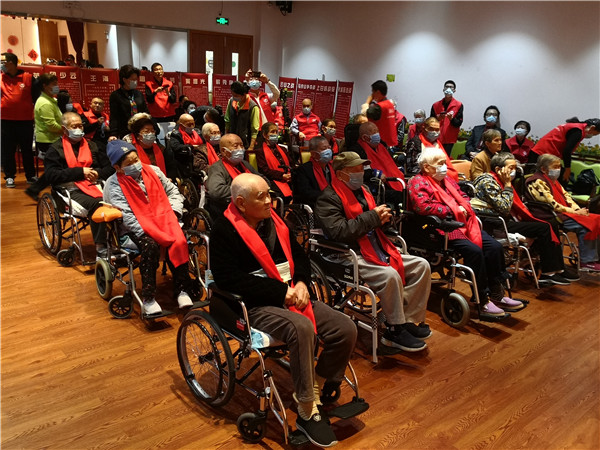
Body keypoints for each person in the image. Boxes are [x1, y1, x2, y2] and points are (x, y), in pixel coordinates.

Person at [211, 172, 357, 448]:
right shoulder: (223, 229)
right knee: (301, 328)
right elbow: (227, 278)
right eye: (262, 197)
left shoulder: (277, 223)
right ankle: (306, 408)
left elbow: (300, 258)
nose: (270, 200)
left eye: (269, 194)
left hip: (291, 293)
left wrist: (301, 282)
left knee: (345, 328)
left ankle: (316, 382)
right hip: (254, 304)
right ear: (241, 203)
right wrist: (280, 292)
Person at [315, 152, 432, 352]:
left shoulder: (365, 190)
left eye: (362, 169)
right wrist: (373, 217)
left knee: (422, 266)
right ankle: (394, 330)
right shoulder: (328, 198)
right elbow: (339, 232)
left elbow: (375, 222)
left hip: (376, 246)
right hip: (348, 253)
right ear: (341, 173)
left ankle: (407, 320)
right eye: (356, 170)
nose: (361, 173)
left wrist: (386, 219)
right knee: (389, 275)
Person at [407, 146, 524, 315]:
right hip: (440, 228)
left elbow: (464, 196)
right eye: (440, 163)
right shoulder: (417, 182)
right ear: (426, 167)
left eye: (444, 162)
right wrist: (453, 209)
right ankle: (482, 299)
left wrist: (464, 206)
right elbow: (422, 207)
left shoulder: (447, 180)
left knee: (495, 247)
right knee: (474, 251)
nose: (444, 166)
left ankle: (497, 294)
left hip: (462, 223)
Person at [104, 140, 195, 315]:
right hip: (136, 228)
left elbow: (173, 192)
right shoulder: (113, 184)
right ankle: (149, 298)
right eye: (129, 163)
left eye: (136, 159)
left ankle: (182, 290)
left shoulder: (154, 171)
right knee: (150, 245)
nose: (135, 164)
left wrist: (173, 213)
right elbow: (126, 215)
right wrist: (149, 231)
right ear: (118, 167)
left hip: (165, 219)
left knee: (179, 240)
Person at [471, 152, 578, 285]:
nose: (514, 171)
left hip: (506, 219)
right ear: (498, 169)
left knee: (550, 223)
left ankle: (558, 269)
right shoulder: (487, 182)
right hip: (495, 222)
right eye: (511, 168)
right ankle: (549, 273)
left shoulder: (500, 179)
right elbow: (504, 207)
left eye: (515, 168)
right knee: (545, 227)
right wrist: (508, 185)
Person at [44, 112, 113, 256]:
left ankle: (121, 240)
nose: (78, 129)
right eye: (74, 127)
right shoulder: (55, 149)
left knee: (119, 200)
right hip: (68, 189)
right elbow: (51, 175)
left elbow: (110, 167)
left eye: (80, 126)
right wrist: (80, 172)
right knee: (99, 203)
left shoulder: (93, 145)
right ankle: (101, 246)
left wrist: (98, 173)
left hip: (95, 184)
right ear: (64, 129)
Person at [525, 154, 600, 272]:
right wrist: (576, 212)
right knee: (586, 226)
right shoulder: (536, 182)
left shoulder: (554, 181)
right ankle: (586, 261)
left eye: (559, 166)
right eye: (555, 167)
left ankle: (596, 258)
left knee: (597, 219)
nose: (558, 169)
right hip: (551, 215)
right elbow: (552, 204)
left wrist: (577, 209)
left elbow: (567, 197)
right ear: (543, 169)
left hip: (565, 212)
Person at [1, 52, 37, 188]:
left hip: (25, 121)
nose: (1, 65)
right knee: (7, 150)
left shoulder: (29, 78)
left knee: (27, 149)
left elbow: (36, 97)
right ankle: (10, 176)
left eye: (2, 62)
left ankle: (30, 176)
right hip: (5, 121)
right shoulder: (0, 78)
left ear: (11, 63)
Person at [205, 133, 262, 218]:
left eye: (241, 146)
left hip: (249, 203)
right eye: (235, 146)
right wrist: (245, 191)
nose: (240, 149)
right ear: (224, 151)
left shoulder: (244, 164)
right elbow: (216, 191)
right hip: (228, 206)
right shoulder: (217, 168)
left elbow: (261, 178)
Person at [25, 73, 63, 201]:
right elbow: (51, 126)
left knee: (55, 168)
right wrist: (66, 130)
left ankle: (35, 189)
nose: (57, 86)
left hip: (52, 139)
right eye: (54, 84)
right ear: (45, 86)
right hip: (48, 140)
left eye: (57, 83)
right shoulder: (44, 103)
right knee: (55, 169)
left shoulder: (51, 100)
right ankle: (34, 189)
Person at [528, 118, 600, 183]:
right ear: (592, 128)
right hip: (543, 155)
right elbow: (567, 151)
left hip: (538, 152)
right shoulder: (578, 132)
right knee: (562, 178)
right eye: (595, 134)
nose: (593, 136)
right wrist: (567, 169)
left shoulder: (574, 126)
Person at [352, 121, 405, 207]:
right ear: (365, 137)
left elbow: (391, 164)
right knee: (401, 196)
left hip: (392, 180)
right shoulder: (357, 150)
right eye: (374, 132)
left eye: (377, 131)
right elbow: (363, 172)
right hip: (376, 185)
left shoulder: (381, 146)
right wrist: (377, 174)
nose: (377, 134)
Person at [124, 112, 177, 180]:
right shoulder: (131, 151)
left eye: (152, 131)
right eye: (146, 131)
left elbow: (171, 166)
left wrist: (170, 178)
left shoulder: (161, 148)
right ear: (138, 135)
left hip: (163, 182)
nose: (150, 133)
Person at [405, 116, 458, 181]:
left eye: (437, 130)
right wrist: (431, 172)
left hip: (439, 175)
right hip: (423, 177)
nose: (434, 132)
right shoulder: (415, 142)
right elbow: (411, 168)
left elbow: (445, 163)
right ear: (424, 128)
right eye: (431, 129)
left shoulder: (438, 144)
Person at [254, 122, 293, 202]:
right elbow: (264, 170)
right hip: (273, 179)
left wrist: (291, 174)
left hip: (289, 177)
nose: (275, 134)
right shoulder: (260, 151)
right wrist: (282, 176)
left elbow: (291, 164)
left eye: (276, 132)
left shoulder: (283, 149)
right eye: (272, 132)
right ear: (265, 135)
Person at [109, 64, 149, 139]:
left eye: (136, 79)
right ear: (124, 79)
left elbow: (146, 111)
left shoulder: (138, 94)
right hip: (125, 132)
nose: (135, 82)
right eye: (132, 79)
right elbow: (114, 117)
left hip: (141, 130)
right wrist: (113, 134)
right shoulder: (116, 95)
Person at [293, 136, 333, 208]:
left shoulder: (332, 167)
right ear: (313, 154)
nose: (328, 151)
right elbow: (306, 194)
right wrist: (328, 197)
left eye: (329, 148)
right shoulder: (303, 170)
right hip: (316, 205)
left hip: (332, 202)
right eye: (324, 149)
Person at [361, 80, 399, 151]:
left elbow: (364, 112)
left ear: (378, 92)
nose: (372, 95)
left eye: (373, 92)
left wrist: (367, 102)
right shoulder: (390, 104)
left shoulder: (380, 107)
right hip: (391, 141)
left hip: (382, 143)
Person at [430, 80, 464, 154]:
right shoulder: (435, 105)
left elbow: (458, 123)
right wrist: (438, 119)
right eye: (447, 87)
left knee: (445, 158)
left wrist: (451, 119)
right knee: (434, 157)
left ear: (454, 90)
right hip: (436, 137)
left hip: (449, 138)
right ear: (443, 89)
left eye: (451, 87)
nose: (448, 89)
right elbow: (430, 122)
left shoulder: (458, 105)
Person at [224, 81, 260, 150]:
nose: (234, 97)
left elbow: (254, 129)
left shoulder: (253, 107)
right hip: (231, 141)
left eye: (236, 96)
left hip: (245, 143)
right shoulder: (231, 101)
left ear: (244, 95)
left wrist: (251, 147)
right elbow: (227, 120)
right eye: (233, 95)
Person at [168, 113, 205, 180]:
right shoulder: (176, 134)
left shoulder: (198, 132)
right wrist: (191, 147)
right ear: (181, 125)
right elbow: (176, 147)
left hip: (200, 157)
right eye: (189, 124)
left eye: (193, 124)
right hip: (185, 160)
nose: (191, 126)